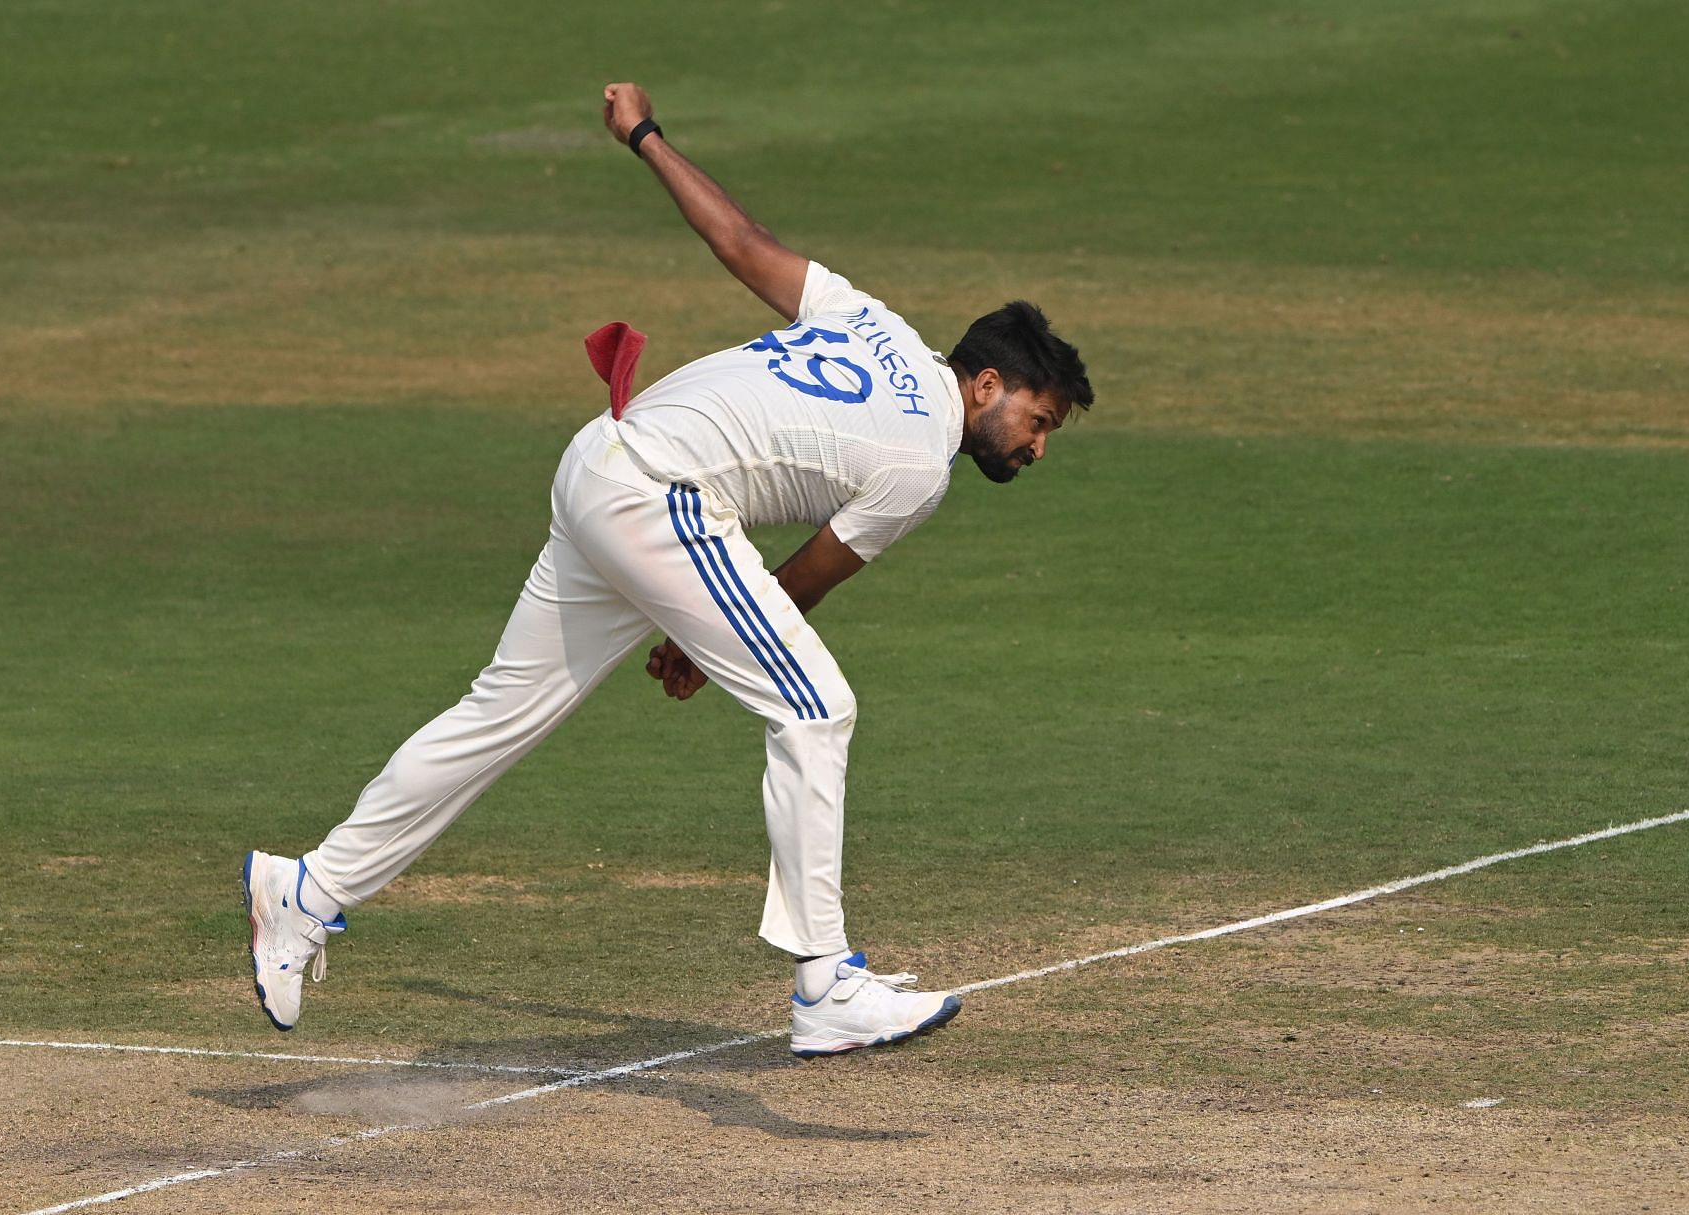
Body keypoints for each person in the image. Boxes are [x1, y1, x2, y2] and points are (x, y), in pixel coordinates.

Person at [244, 81, 1094, 1058]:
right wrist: (699, 640)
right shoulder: (917, 466)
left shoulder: (875, 323)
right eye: (1036, 422)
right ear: (987, 386)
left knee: (496, 715)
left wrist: (646, 137)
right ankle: (825, 983)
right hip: (660, 498)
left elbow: (737, 239)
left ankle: (307, 889)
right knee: (816, 707)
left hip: (600, 460)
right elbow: (805, 578)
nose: (1033, 448)